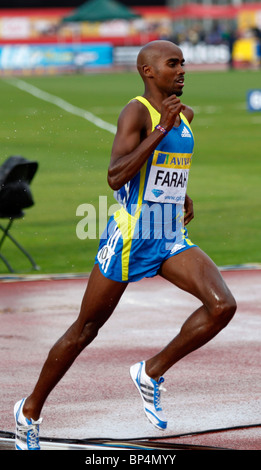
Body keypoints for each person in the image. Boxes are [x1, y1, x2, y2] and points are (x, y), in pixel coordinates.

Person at [14, 40, 237, 450]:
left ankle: (150, 372)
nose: (183, 69)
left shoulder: (183, 115)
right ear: (149, 71)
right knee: (85, 330)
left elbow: (165, 169)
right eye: (174, 64)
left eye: (184, 63)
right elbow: (116, 176)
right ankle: (29, 410)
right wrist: (160, 131)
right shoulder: (139, 111)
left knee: (222, 306)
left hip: (169, 235)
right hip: (131, 236)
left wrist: (181, 196)